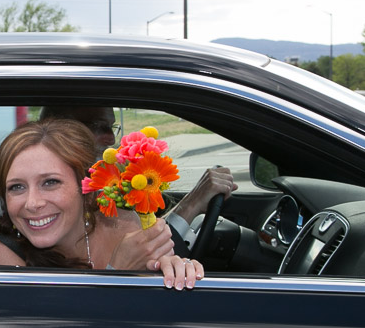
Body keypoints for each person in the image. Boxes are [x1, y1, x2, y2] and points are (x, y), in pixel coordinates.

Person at [0, 119, 203, 290]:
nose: (33, 203)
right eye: (16, 187)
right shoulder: (1, 257)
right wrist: (117, 272)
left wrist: (176, 272)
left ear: (85, 189)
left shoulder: (123, 224)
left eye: (50, 182)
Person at [39, 105, 238, 251]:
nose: (112, 139)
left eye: (112, 127)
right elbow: (143, 258)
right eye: (100, 127)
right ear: (60, 131)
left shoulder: (100, 186)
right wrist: (191, 205)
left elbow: (139, 243)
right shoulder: (62, 200)